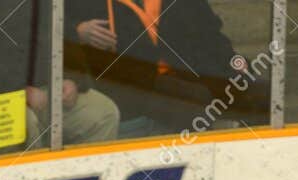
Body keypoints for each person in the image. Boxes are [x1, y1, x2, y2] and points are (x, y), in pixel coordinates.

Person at [0, 0, 119, 149]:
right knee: (21, 122)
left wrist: (72, 79)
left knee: (103, 113)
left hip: (34, 89)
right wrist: (20, 90)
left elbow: (58, 35)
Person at [67, 0, 269, 135]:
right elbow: (49, 26)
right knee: (193, 101)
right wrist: (78, 30)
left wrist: (236, 63)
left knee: (260, 92)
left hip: (189, 70)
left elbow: (211, 34)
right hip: (130, 84)